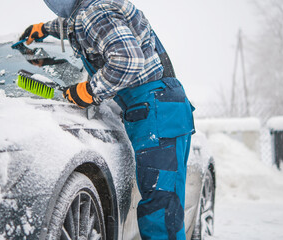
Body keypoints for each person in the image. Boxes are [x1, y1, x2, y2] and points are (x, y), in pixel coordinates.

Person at [20, 0, 195, 239]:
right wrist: (46, 28)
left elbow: (128, 61)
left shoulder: (95, 12)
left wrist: (89, 91)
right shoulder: (93, 10)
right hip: (159, 108)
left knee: (160, 209)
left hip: (156, 112)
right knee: (164, 205)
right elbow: (82, 26)